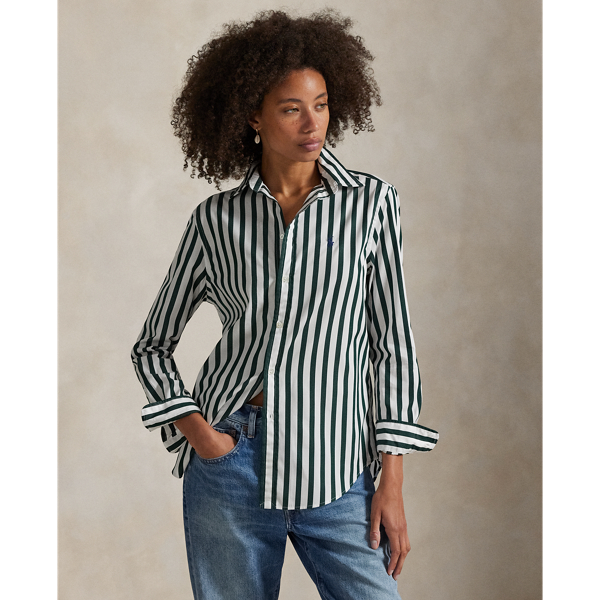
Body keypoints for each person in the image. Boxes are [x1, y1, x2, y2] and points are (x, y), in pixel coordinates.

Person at [131, 9, 439, 600]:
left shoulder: (371, 205)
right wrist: (202, 437)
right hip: (232, 463)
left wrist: (392, 480)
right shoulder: (216, 220)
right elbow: (153, 345)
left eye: (320, 105)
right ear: (253, 116)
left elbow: (393, 346)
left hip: (337, 463)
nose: (312, 123)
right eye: (291, 108)